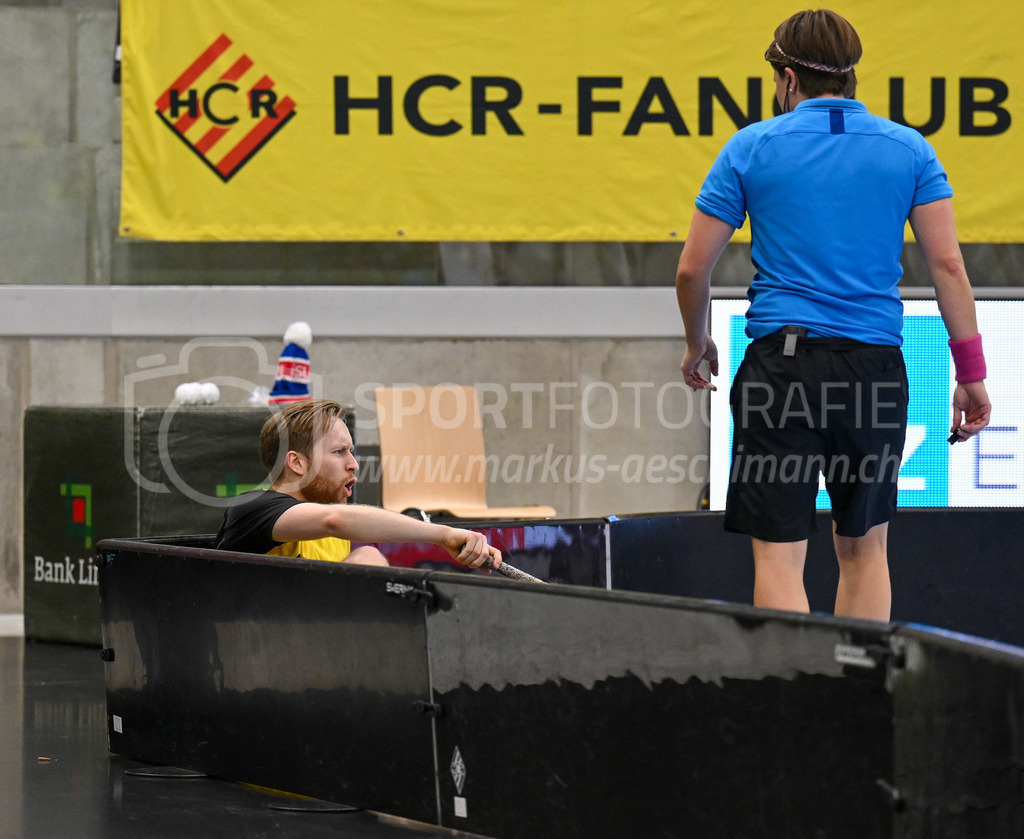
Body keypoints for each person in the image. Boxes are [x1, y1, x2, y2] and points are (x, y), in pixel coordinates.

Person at [675, 9, 991, 621]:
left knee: (778, 558)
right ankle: (858, 705)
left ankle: (793, 704)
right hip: (872, 371)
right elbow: (948, 267)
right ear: (850, 76)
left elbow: (692, 270)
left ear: (788, 78)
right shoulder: (910, 149)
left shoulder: (752, 146)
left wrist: (697, 342)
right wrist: (971, 375)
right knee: (866, 551)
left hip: (780, 372)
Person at [215, 398, 502, 571]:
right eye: (339, 452)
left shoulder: (334, 531)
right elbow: (335, 519)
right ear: (297, 463)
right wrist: (445, 535)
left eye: (351, 452)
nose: (354, 464)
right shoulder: (252, 507)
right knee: (367, 557)